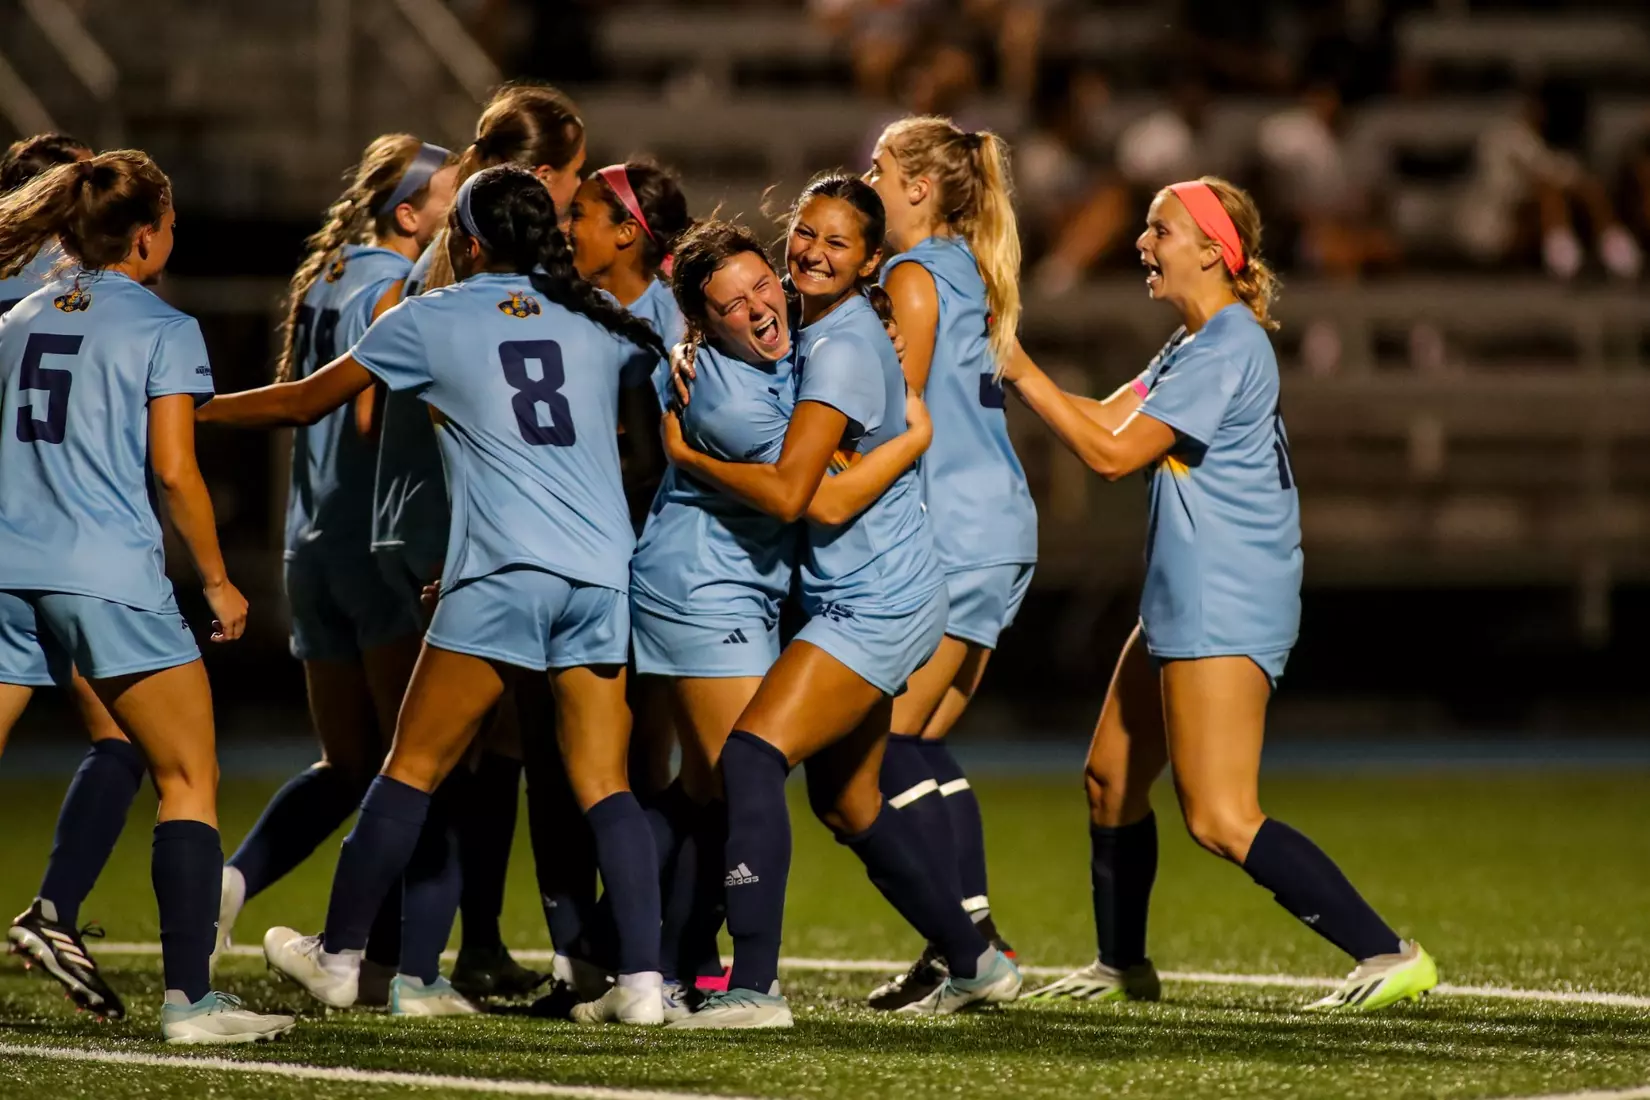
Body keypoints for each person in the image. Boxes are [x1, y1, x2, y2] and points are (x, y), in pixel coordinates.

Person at [197, 164, 671, 1026]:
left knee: (409, 767)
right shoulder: (600, 321)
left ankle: (341, 955)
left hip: (501, 573)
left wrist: (188, 410)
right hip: (604, 574)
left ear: (469, 239)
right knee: (605, 783)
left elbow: (306, 405)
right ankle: (641, 981)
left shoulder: (433, 316)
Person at [1002, 176, 1437, 1012]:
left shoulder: (1228, 346)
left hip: (1224, 598)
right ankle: (1121, 965)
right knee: (1109, 779)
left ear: (1212, 249)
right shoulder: (1191, 346)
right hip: (1186, 593)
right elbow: (1105, 416)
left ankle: (1388, 952)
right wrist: (1005, 384)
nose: (1141, 242)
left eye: (1158, 229)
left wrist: (1017, 367)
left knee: (1222, 817)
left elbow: (1110, 456)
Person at [661, 176, 1019, 1030]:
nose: (813, 254)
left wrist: (685, 453)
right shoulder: (809, 318)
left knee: (749, 757)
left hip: (877, 601)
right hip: (871, 591)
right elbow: (732, 302)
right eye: (805, 237)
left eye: (838, 244)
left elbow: (803, 500)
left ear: (870, 264)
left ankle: (752, 988)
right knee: (849, 802)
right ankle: (975, 961)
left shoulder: (847, 346)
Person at [0, 149, 294, 1043]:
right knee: (188, 775)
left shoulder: (13, 317)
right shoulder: (164, 327)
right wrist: (215, 577)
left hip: (11, 571)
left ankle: (66, 916)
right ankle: (190, 1001)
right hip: (108, 577)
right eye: (169, 222)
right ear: (144, 236)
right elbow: (174, 469)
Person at [633, 201, 934, 1020]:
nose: (759, 306)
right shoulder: (728, 395)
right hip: (706, 586)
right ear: (703, 315)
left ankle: (655, 964)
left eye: (762, 284)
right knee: (735, 776)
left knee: (717, 787)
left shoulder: (797, 344)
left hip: (745, 586)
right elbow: (808, 497)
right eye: (731, 303)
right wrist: (910, 438)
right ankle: (679, 967)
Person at [208, 134, 464, 1013]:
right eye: (451, 196)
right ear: (410, 213)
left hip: (306, 547)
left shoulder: (323, 277)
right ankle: (406, 972)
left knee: (349, 760)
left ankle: (230, 884)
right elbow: (363, 420)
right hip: (372, 547)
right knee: (417, 767)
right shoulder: (400, 285)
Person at [376, 83, 586, 1003]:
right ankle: (409, 958)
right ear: (539, 177)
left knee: (477, 753)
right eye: (572, 177)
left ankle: (470, 945)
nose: (576, 197)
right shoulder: (473, 274)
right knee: (443, 758)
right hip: (462, 537)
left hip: (446, 531)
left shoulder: (450, 259)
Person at [859, 114, 1036, 1008]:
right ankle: (967, 941)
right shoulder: (969, 267)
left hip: (955, 529)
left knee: (876, 745)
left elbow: (898, 413)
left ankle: (970, 951)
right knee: (921, 739)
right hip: (998, 524)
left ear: (919, 187)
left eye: (880, 168)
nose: (869, 180)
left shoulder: (912, 274)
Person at [0, 130, 150, 1022]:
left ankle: (55, 916)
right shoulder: (83, 293)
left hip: (8, 545)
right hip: (83, 551)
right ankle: (55, 911)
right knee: (133, 740)